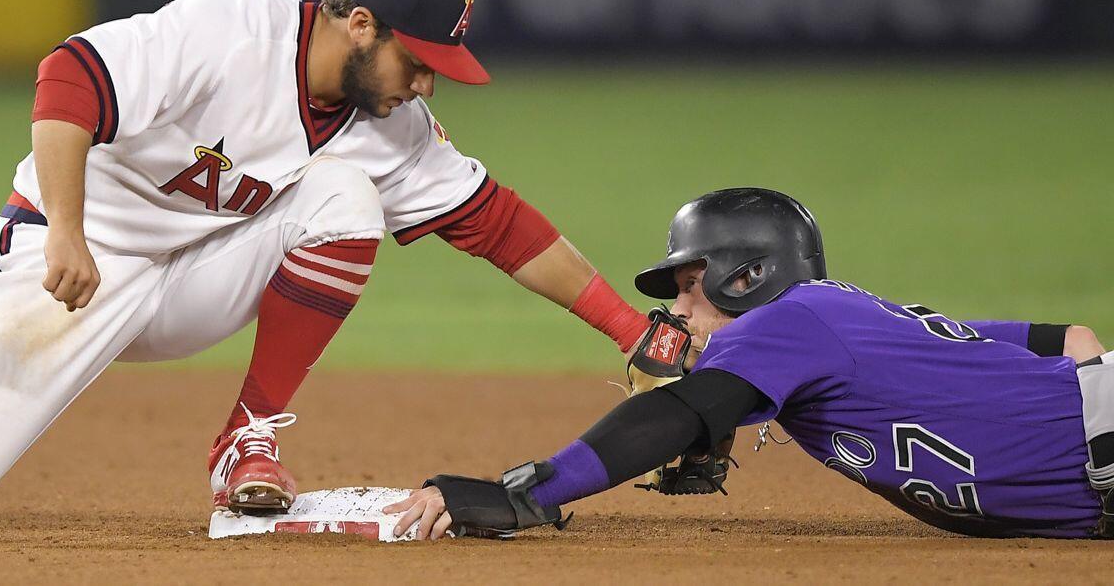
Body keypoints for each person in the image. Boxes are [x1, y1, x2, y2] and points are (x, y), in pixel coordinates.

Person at [0, 0, 654, 529]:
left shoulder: (390, 127)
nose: (426, 85)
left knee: (345, 200)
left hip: (192, 276)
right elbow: (68, 75)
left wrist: (631, 333)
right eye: (420, 63)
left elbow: (497, 223)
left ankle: (247, 437)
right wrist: (67, 231)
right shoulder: (231, 31)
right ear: (361, 25)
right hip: (69, 268)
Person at [387, 188, 1114, 540]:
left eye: (687, 281)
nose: (676, 307)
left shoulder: (788, 319)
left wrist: (528, 490)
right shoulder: (835, 317)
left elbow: (672, 413)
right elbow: (1074, 337)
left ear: (747, 275)